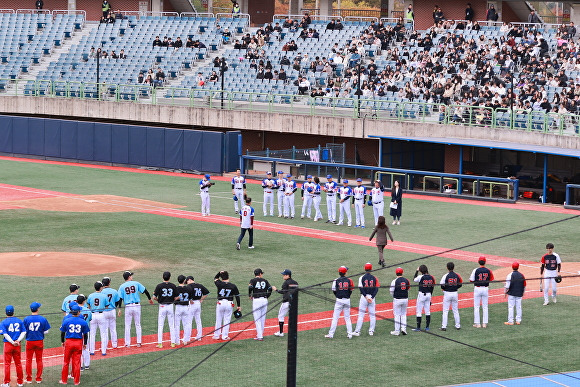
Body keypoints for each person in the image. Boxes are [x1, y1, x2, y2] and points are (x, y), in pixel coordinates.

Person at [118, 271, 154, 348]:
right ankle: (139, 342)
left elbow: (120, 298)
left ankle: (127, 343)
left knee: (128, 325)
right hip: (137, 306)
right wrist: (149, 299)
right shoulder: (136, 283)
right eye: (131, 275)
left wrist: (120, 309)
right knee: (138, 324)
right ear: (129, 277)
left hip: (128, 307)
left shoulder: (122, 286)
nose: (132, 276)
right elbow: (145, 291)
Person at [59, 303, 89, 385]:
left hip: (69, 342)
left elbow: (62, 333)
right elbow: (85, 334)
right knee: (77, 363)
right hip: (78, 342)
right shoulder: (83, 321)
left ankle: (64, 380)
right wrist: (85, 343)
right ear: (79, 312)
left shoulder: (66, 320)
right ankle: (76, 381)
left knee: (66, 362)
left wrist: (62, 341)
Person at [24, 302, 50, 384]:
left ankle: (29, 379)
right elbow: (46, 331)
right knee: (39, 360)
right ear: (38, 309)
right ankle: (38, 378)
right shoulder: (42, 319)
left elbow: (23, 331)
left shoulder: (26, 319)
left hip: (29, 341)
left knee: (28, 360)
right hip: (39, 341)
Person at [325, 266, 354, 339]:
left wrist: (338, 296)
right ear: (345, 272)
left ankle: (331, 334)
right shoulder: (349, 280)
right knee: (347, 318)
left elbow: (334, 290)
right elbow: (351, 290)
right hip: (347, 300)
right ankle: (350, 334)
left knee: (335, 318)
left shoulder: (336, 280)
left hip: (339, 300)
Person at [352, 263, 379, 336]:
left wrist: (366, 297)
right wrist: (372, 298)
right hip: (372, 298)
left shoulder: (362, 277)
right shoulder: (374, 278)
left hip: (364, 298)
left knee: (361, 315)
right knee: (372, 315)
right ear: (371, 269)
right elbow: (376, 289)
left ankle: (357, 331)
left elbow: (361, 288)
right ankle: (371, 331)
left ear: (365, 269)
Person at [153, 271, 179, 348]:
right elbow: (178, 297)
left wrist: (159, 300)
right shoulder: (173, 286)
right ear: (169, 277)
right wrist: (173, 300)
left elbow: (154, 297)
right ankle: (173, 343)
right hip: (170, 306)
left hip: (162, 306)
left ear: (163, 277)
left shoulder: (159, 286)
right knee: (171, 325)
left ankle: (160, 343)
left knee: (160, 325)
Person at [213, 271, 241, 340]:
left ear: (221, 278)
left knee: (218, 320)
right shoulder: (233, 286)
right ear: (228, 277)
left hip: (220, 303)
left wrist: (219, 272)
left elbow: (215, 278)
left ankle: (216, 335)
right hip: (229, 303)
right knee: (227, 320)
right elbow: (237, 296)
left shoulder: (219, 284)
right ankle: (224, 336)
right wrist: (238, 306)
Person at [1, 305, 25, 387]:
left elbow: (5, 334)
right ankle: (20, 382)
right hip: (17, 345)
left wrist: (12, 342)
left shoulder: (3, 322)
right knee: (18, 363)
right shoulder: (19, 321)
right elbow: (23, 332)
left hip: (8, 345)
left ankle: (6, 383)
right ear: (13, 312)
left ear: (5, 313)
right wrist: (17, 341)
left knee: (7, 364)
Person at [87, 281, 111, 356]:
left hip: (93, 315)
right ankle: (103, 351)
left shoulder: (90, 295)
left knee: (92, 334)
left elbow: (89, 306)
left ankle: (92, 351)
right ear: (101, 288)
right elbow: (107, 306)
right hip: (101, 315)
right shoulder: (104, 296)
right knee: (103, 333)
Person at [470, 256, 494, 328]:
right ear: (485, 262)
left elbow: (471, 280)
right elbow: (491, 279)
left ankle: (477, 324)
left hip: (477, 288)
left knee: (476, 306)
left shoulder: (475, 270)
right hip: (485, 289)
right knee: (485, 306)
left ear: (478, 262)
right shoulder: (488, 270)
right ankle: (484, 324)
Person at [273, 269, 298, 337]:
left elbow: (283, 292)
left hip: (286, 302)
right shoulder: (295, 282)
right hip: (293, 302)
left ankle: (281, 332)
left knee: (280, 316)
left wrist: (276, 290)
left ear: (288, 275)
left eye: (284, 275)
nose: (283, 276)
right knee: (292, 317)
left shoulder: (286, 283)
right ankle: (293, 332)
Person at [248, 268, 272, 341]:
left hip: (257, 300)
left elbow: (250, 287)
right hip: (264, 300)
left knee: (257, 318)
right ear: (260, 274)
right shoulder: (265, 280)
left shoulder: (252, 280)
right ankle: (260, 334)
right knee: (262, 318)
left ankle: (260, 336)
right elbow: (270, 288)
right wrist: (267, 296)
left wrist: (250, 295)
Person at [439, 262, 463, 331]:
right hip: (455, 293)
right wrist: (455, 287)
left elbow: (442, 285)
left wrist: (445, 288)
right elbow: (460, 284)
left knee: (445, 311)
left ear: (447, 267)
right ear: (453, 267)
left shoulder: (446, 275)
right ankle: (458, 326)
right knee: (455, 310)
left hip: (447, 294)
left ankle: (444, 326)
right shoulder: (457, 275)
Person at [186, 275, 209, 342]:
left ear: (189, 280)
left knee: (189, 321)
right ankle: (199, 336)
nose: (187, 283)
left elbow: (188, 295)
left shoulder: (189, 286)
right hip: (198, 304)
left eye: (187, 281)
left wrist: (190, 300)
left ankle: (188, 337)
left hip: (192, 304)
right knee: (198, 320)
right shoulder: (200, 285)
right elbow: (207, 293)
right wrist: (201, 300)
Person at [412, 265, 436, 331]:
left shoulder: (420, 277)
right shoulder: (431, 277)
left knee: (419, 311)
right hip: (429, 294)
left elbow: (414, 279)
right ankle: (427, 327)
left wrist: (416, 271)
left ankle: (418, 328)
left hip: (422, 295)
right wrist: (430, 297)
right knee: (427, 311)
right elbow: (432, 287)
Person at [389, 268, 410, 336]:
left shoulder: (394, 281)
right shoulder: (406, 280)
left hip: (397, 299)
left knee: (397, 315)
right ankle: (403, 329)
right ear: (402, 273)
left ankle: (397, 330)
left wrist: (394, 296)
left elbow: (391, 291)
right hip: (405, 299)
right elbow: (408, 289)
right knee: (403, 314)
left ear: (396, 273)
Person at [100, 276, 119, 350]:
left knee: (105, 330)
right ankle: (115, 345)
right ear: (109, 283)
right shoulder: (114, 291)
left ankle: (105, 346)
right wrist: (114, 307)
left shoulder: (101, 292)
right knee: (113, 328)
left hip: (104, 312)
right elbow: (118, 301)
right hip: (112, 311)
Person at [174, 275, 193, 345]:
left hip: (178, 307)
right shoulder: (188, 288)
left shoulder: (175, 289)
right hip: (186, 307)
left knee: (177, 325)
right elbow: (190, 298)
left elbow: (174, 298)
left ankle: (177, 341)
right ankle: (185, 340)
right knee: (186, 324)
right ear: (184, 281)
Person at [76, 295, 92, 371]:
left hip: (77, 331)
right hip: (85, 331)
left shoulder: (75, 310)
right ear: (84, 301)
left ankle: (80, 366)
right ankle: (87, 365)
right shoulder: (88, 310)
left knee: (78, 349)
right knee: (86, 347)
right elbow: (90, 319)